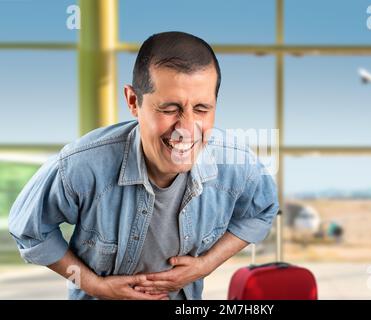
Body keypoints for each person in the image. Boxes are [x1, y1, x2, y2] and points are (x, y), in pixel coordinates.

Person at [8, 31, 279, 300]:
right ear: (133, 102)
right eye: (170, 109)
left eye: (201, 109)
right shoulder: (81, 165)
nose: (186, 129)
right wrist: (95, 286)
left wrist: (205, 265)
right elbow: (29, 229)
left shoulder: (235, 162)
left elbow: (262, 211)